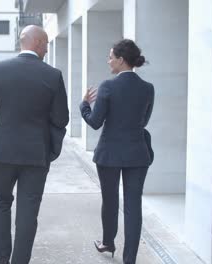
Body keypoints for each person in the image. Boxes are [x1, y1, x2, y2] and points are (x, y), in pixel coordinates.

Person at [0, 25, 69, 264]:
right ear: (37, 43)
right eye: (46, 43)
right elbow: (61, 118)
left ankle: (2, 259)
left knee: (1, 204)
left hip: (3, 151)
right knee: (28, 212)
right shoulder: (53, 75)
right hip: (36, 154)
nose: (47, 49)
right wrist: (51, 148)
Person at [80, 39, 154, 264]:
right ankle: (129, 259)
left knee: (110, 200)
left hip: (109, 155)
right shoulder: (148, 88)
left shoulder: (108, 86)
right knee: (133, 206)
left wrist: (84, 105)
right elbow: (144, 121)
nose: (108, 60)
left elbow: (94, 122)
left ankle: (108, 242)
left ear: (121, 60)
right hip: (137, 154)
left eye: (111, 56)